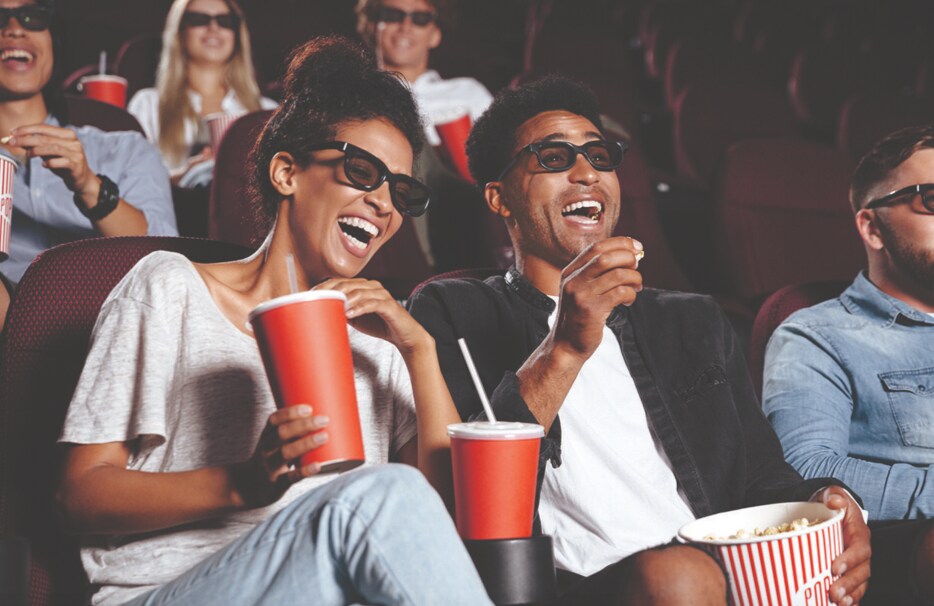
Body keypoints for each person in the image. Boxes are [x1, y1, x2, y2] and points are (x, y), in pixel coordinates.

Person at [56, 36, 491, 606]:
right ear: (286, 172)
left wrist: (421, 351)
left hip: (330, 590)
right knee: (385, 493)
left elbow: (438, 532)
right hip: (166, 591)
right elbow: (77, 494)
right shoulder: (170, 288)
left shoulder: (383, 344)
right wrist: (243, 482)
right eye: (362, 171)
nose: (384, 204)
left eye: (400, 190)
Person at [407, 75, 871, 606]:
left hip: (723, 576)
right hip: (577, 589)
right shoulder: (452, 310)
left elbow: (762, 479)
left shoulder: (692, 320)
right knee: (677, 577)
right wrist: (565, 348)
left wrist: (829, 503)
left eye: (600, 156)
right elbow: (472, 496)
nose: (586, 172)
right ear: (499, 198)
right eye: (554, 158)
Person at [763, 124, 934, 604]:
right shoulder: (816, 336)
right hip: (904, 550)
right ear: (871, 227)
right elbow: (804, 469)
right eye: (932, 200)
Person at [0, 0, 177, 287]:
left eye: (33, 18)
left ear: (54, 41)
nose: (14, 30)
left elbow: (167, 260)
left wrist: (88, 185)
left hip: (117, 312)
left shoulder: (127, 149)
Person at [355, 0, 496, 271]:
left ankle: (422, 270)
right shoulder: (355, 94)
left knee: (413, 142)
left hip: (455, 205)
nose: (406, 27)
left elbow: (500, 159)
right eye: (393, 15)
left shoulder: (466, 92)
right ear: (373, 25)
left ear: (435, 34)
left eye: (420, 19)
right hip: (374, 192)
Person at [127, 0, 276, 184]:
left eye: (225, 21)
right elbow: (130, 185)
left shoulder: (266, 111)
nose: (213, 27)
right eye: (198, 19)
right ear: (179, 31)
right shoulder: (148, 104)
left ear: (237, 35)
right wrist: (184, 176)